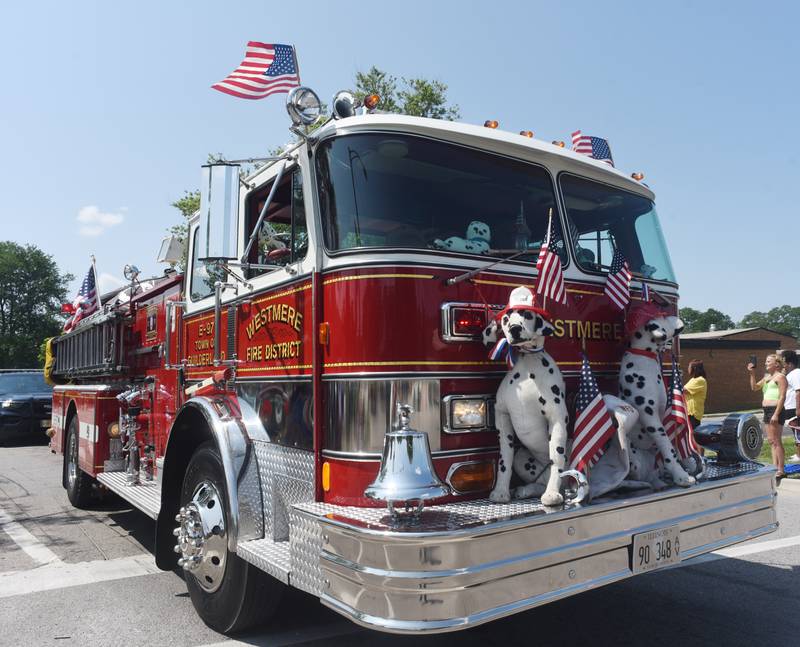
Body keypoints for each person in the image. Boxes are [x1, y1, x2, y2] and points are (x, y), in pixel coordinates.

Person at [748, 354, 788, 479]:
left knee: (777, 441)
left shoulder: (780, 377)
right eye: (765, 361)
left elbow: (782, 396)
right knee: (771, 441)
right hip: (766, 410)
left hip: (776, 410)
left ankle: (781, 469)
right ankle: (774, 467)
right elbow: (754, 388)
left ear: (776, 364)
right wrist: (752, 374)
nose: (765, 363)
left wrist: (776, 413)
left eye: (768, 361)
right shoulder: (766, 378)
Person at [779, 349, 800, 462]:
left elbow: (798, 391)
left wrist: (798, 409)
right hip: (790, 407)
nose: (782, 365)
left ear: (789, 363)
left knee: (798, 432)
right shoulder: (790, 374)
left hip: (794, 408)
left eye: (783, 362)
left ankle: (799, 455)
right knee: (796, 432)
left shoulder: (795, 373)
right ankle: (798, 454)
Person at [683, 359, 708, 430]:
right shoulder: (693, 380)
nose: (688, 368)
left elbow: (685, 390)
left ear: (694, 368)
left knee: (692, 435)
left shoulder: (700, 380)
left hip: (693, 413)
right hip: (688, 412)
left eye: (689, 366)